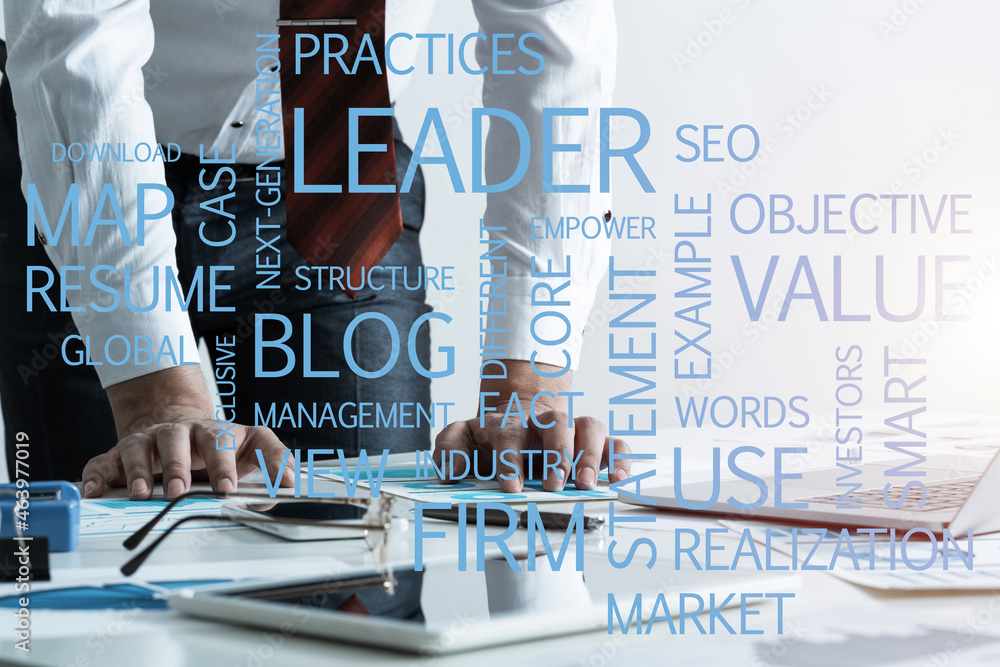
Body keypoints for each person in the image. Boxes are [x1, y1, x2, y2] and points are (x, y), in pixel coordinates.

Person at [1, 0, 630, 500]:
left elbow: (553, 34)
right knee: (106, 578)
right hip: (84, 162)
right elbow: (73, 35)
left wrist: (527, 378)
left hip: (338, 175)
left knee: (360, 570)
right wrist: (153, 392)